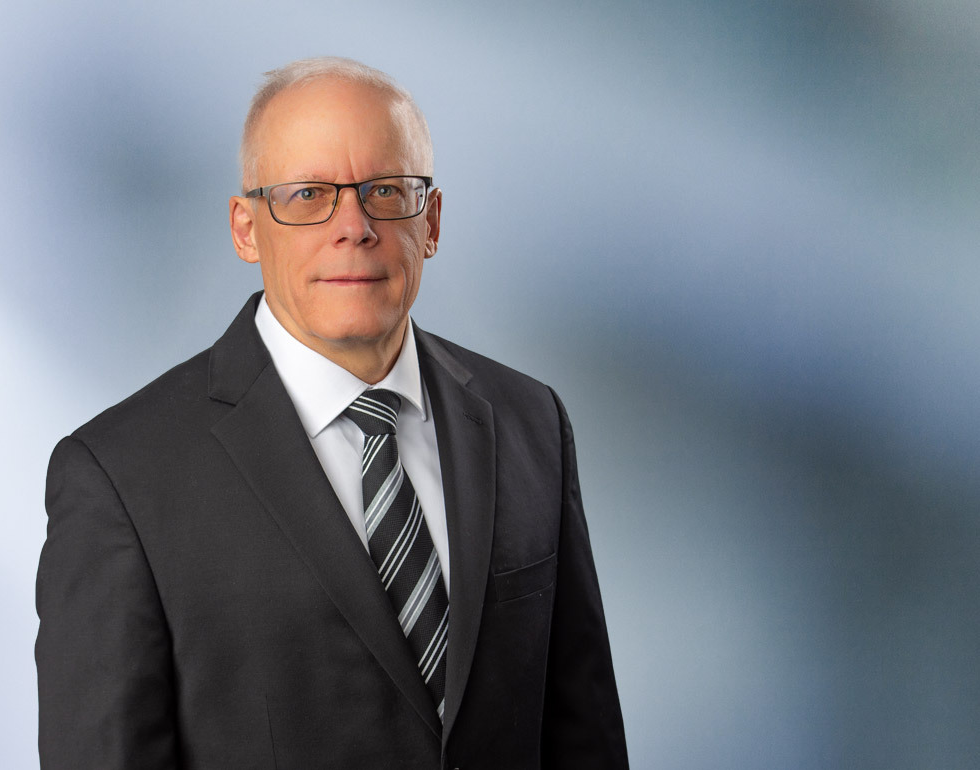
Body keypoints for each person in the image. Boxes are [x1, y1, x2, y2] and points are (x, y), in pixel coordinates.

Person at [36, 57, 627, 769]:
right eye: (309, 194)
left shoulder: (531, 423)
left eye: (386, 190)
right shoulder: (122, 479)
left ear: (431, 221)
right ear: (246, 228)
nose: (354, 226)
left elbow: (584, 738)